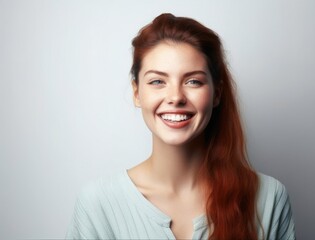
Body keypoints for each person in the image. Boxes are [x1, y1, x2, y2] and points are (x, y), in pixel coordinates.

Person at [66, 13, 295, 240]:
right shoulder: (97, 206)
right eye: (157, 81)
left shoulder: (269, 198)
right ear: (137, 93)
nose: (175, 97)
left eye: (193, 81)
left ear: (217, 93)